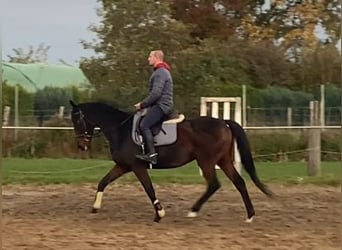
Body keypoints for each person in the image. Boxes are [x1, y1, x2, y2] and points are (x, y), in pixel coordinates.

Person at [134, 50, 173, 164]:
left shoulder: (160, 72)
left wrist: (142, 104)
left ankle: (152, 155)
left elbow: (156, 94)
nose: (148, 58)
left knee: (144, 125)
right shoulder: (162, 71)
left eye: (150, 56)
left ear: (157, 58)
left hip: (162, 106)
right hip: (161, 105)